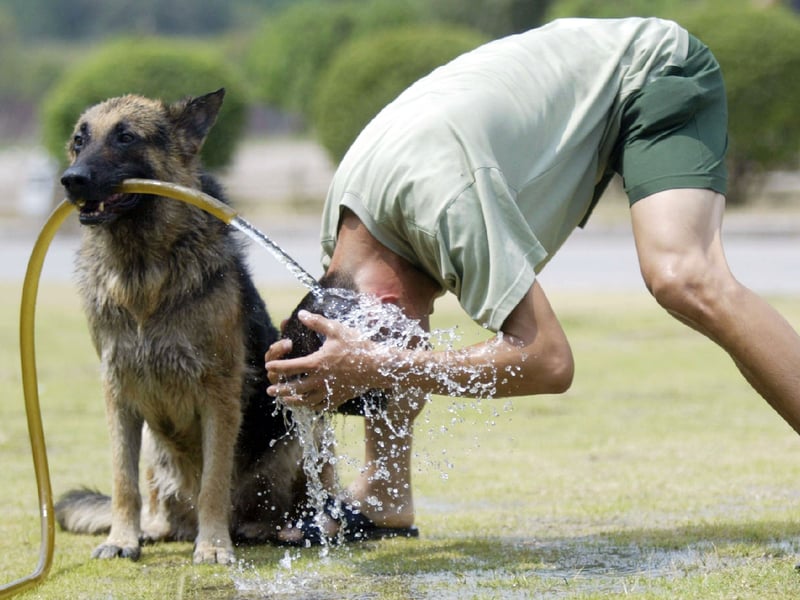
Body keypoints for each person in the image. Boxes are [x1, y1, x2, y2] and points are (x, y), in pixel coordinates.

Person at [264, 17, 800, 544]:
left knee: (683, 276)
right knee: (383, 349)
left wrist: (378, 363)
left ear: (381, 301)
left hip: (651, 68)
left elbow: (549, 360)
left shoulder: (446, 202)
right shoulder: (348, 245)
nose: (409, 353)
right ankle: (385, 494)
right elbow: (372, 342)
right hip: (571, 86)